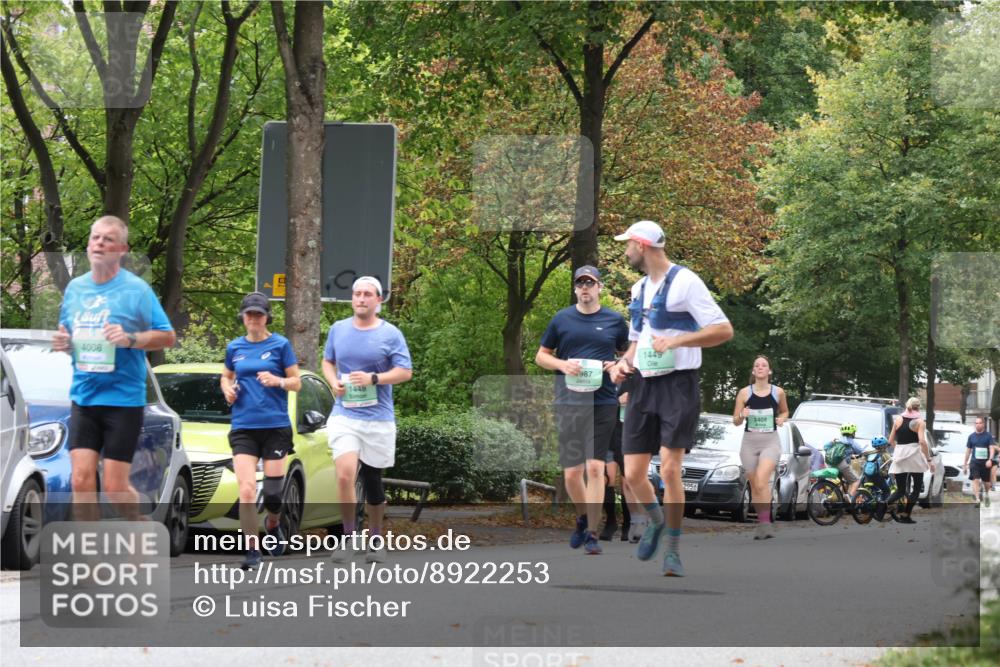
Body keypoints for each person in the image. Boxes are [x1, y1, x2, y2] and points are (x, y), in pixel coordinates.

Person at [609, 220, 734, 576]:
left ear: (642, 245)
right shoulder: (638, 289)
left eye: (628, 244)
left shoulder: (686, 282)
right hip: (642, 384)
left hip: (678, 385)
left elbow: (723, 329)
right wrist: (623, 363)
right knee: (633, 474)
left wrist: (677, 341)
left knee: (669, 468)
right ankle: (656, 520)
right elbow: (637, 340)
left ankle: (673, 551)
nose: (625, 251)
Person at [52, 215, 176, 521]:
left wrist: (131, 338)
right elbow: (68, 332)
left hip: (122, 401)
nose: (99, 244)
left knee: (114, 488)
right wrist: (64, 341)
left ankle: (139, 525)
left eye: (108, 239)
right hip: (84, 397)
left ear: (122, 249)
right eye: (95, 237)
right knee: (80, 480)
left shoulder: (136, 290)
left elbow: (167, 336)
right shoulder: (76, 289)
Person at [536, 266, 629, 555]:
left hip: (603, 402)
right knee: (572, 475)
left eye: (590, 283)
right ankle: (582, 518)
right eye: (580, 284)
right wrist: (562, 365)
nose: (585, 288)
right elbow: (541, 356)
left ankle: (592, 532)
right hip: (569, 402)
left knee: (596, 468)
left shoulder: (614, 320)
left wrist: (617, 365)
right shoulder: (561, 319)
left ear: (599, 287)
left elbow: (627, 355)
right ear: (575, 289)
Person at [323, 277, 412, 564]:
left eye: (367, 294)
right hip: (344, 415)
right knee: (345, 474)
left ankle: (375, 537)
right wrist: (333, 382)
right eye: (357, 294)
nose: (361, 298)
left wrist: (374, 378)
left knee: (373, 482)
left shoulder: (391, 334)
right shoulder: (338, 329)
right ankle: (348, 537)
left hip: (377, 419)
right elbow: (328, 361)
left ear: (378, 300)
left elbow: (405, 371)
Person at [221, 292, 301, 570]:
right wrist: (227, 390)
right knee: (246, 490)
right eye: (249, 314)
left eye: (259, 314)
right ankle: (252, 551)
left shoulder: (280, 345)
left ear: (267, 317)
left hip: (275, 426)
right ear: (243, 317)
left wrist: (278, 381)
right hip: (243, 426)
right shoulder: (235, 347)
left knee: (273, 494)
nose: (253, 319)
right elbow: (226, 376)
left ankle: (273, 523)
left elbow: (296, 382)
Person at [732, 355, 789, 540]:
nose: (760, 367)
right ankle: (763, 522)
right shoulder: (744, 393)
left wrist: (782, 419)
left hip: (770, 441)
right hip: (749, 442)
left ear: (769, 370)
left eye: (764, 365)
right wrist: (742, 414)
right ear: (753, 370)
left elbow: (785, 411)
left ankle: (765, 524)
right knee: (755, 485)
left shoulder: (778, 392)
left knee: (762, 481)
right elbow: (735, 421)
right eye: (757, 365)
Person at [883, 397, 934, 524]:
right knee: (916, 488)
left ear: (907, 406)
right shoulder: (919, 422)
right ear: (918, 407)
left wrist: (900, 449)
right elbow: (922, 442)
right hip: (915, 457)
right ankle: (906, 515)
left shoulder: (898, 419)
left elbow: (890, 440)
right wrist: (929, 460)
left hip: (900, 455)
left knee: (900, 490)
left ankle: (883, 505)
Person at [825, 423, 867, 499]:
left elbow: (825, 447)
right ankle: (849, 498)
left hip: (831, 464)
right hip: (842, 465)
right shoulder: (851, 442)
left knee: (844, 481)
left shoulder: (836, 440)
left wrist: (832, 442)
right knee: (855, 481)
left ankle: (839, 498)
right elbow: (860, 451)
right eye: (854, 432)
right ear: (852, 432)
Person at [963, 416, 997, 508]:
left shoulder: (988, 436)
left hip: (985, 463)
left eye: (979, 423)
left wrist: (990, 459)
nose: (977, 425)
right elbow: (968, 451)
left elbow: (991, 448)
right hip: (975, 462)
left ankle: (986, 494)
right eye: (976, 423)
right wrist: (965, 464)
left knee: (987, 483)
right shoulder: (971, 437)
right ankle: (977, 499)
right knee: (976, 480)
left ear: (983, 424)